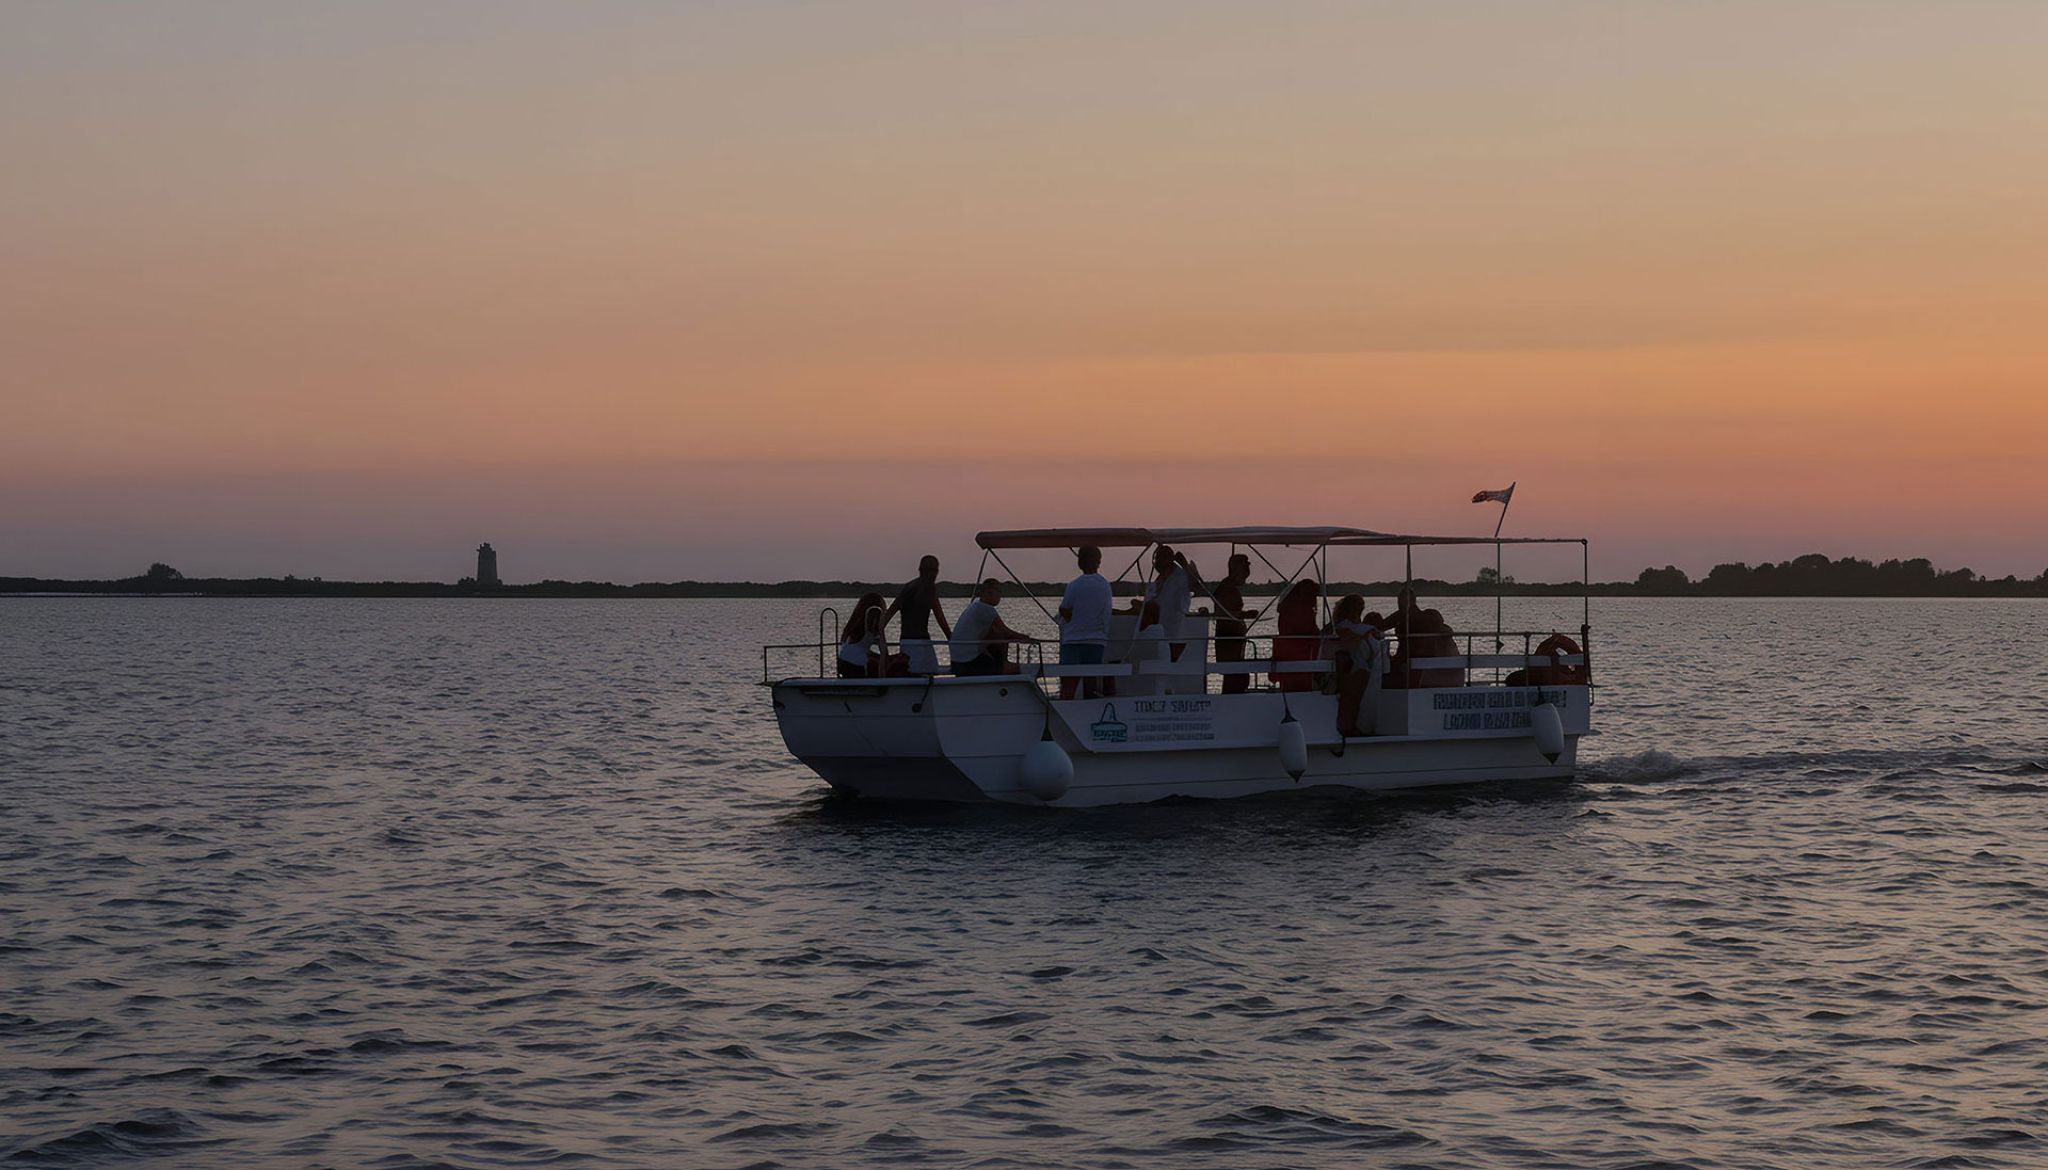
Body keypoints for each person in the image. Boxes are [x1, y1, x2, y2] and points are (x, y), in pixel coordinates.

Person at [1057, 546, 1112, 700]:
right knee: (1090, 684)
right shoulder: (1105, 585)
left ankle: (1064, 711)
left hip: (1073, 639)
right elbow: (1106, 612)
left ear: (1080, 562)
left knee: (1068, 684)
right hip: (1097, 640)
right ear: (1098, 562)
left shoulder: (1074, 585)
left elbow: (1065, 609)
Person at [881, 554, 951, 676]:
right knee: (928, 673)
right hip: (917, 642)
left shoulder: (909, 587)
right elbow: (940, 618)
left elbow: (886, 618)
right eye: (929, 570)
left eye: (935, 570)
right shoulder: (927, 587)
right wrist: (952, 639)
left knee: (921, 674)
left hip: (909, 641)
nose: (933, 574)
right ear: (921, 570)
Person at [950, 579, 1037, 676]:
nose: (1000, 596)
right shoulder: (985, 608)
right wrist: (1028, 639)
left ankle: (1002, 664)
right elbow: (1007, 632)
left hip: (956, 663)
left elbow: (996, 632)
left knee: (996, 634)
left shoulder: (975, 604)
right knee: (1016, 669)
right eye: (999, 592)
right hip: (968, 662)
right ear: (989, 592)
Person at [1330, 596, 1388, 736]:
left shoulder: (1363, 629)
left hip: (1363, 668)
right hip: (1357, 668)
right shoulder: (1349, 628)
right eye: (1357, 605)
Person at [1131, 545, 1198, 663]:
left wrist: (1184, 564)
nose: (1156, 563)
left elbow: (1194, 585)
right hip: (1157, 632)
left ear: (1169, 559)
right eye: (1156, 559)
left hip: (1172, 631)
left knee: (1167, 662)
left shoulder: (1180, 576)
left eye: (1159, 559)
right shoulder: (1160, 579)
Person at [1213, 553, 1258, 695]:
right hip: (1229, 640)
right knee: (1235, 677)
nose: (1245, 577)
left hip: (1233, 639)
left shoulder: (1228, 587)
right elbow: (1226, 613)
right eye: (1244, 572)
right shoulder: (1227, 589)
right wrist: (1246, 614)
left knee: (1237, 676)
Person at [1270, 579, 1320, 692]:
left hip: (1287, 652)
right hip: (1300, 653)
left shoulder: (1286, 608)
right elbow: (1308, 629)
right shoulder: (1302, 610)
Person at [836, 592, 893, 678]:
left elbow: (859, 648)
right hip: (855, 666)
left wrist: (875, 656)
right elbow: (884, 653)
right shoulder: (871, 629)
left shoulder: (853, 625)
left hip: (842, 662)